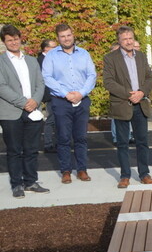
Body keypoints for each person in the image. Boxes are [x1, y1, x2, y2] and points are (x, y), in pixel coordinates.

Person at [42, 23, 97, 184]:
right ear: (58, 38)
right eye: (62, 36)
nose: (66, 38)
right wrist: (66, 94)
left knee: (81, 137)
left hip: (82, 100)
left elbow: (91, 75)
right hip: (61, 102)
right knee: (63, 137)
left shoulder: (84, 54)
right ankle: (66, 170)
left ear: (73, 35)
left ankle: (82, 169)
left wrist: (81, 93)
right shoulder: (52, 56)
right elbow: (47, 77)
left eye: (68, 35)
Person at [103, 26, 152, 189]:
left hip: (140, 104)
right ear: (119, 41)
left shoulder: (140, 56)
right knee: (123, 143)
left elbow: (149, 77)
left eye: (130, 38)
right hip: (122, 105)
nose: (128, 41)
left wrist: (141, 92)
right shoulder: (110, 58)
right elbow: (109, 82)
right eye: (125, 39)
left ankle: (144, 174)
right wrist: (129, 94)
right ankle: (125, 175)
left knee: (142, 142)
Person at [0, 25, 48, 198]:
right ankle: (17, 184)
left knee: (31, 149)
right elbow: (2, 87)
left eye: (16, 39)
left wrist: (34, 101)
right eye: (9, 40)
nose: (13, 42)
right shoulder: (1, 62)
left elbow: (40, 84)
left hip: (33, 110)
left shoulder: (32, 61)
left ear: (21, 39)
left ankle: (30, 181)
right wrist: (23, 103)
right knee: (14, 150)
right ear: (4, 42)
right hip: (11, 112)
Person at [37, 38, 57, 153]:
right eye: (53, 47)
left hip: (57, 93)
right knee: (51, 120)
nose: (56, 49)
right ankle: (48, 144)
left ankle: (58, 143)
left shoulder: (52, 59)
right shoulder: (40, 60)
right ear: (46, 48)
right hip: (50, 94)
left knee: (57, 119)